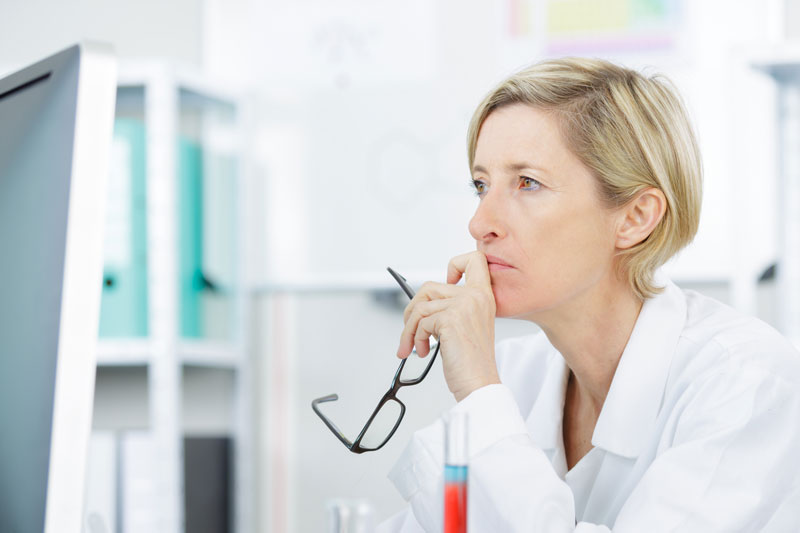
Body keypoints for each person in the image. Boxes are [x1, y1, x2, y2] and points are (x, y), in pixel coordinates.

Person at [377, 58, 800, 532]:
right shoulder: (520, 374)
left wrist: (479, 390)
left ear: (636, 217)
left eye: (527, 183)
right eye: (481, 185)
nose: (480, 225)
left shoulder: (746, 383)